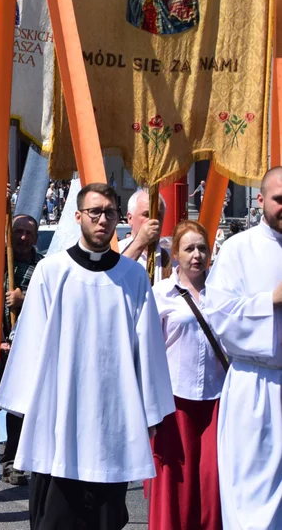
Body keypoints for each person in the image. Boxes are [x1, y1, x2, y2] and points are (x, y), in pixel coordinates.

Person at [0, 182, 174, 529]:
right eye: (95, 212)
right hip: (62, 413)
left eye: (109, 212)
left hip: (113, 414)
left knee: (106, 518)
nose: (102, 219)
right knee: (56, 516)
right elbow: (30, 341)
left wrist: (150, 411)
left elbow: (148, 347)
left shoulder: (134, 276)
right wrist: (28, 409)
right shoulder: (53, 271)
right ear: (78, 216)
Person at [201, 166, 282, 528]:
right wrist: (270, 301)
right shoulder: (238, 250)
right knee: (255, 500)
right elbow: (218, 315)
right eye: (280, 198)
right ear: (261, 200)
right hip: (257, 387)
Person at [148, 219, 225, 530]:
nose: (196, 255)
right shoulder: (160, 294)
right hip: (174, 400)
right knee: (175, 481)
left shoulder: (222, 294)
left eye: (202, 248)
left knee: (211, 480)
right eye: (189, 248)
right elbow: (149, 350)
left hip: (217, 399)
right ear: (175, 254)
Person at [0, 214, 43, 486]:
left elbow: (52, 302)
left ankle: (12, 461)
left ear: (36, 238)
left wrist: (22, 298)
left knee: (18, 409)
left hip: (25, 347)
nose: (23, 237)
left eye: (28, 232)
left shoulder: (43, 267)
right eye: (18, 232)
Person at [120, 188, 169, 277]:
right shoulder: (116, 251)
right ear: (130, 218)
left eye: (158, 215)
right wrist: (140, 242)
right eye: (146, 215)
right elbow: (112, 278)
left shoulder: (172, 258)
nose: (153, 220)